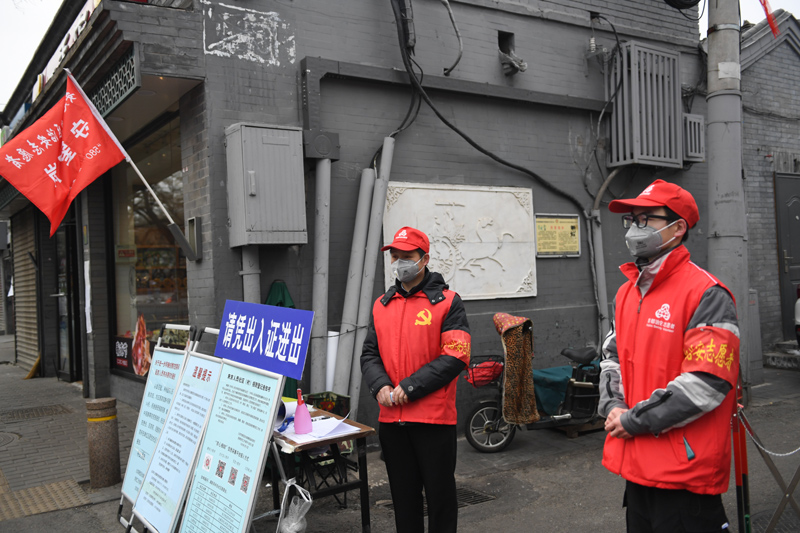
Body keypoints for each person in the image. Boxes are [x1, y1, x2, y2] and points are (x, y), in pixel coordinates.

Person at [599, 179, 740, 532]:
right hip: (637, 468)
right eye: (632, 219)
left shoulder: (707, 293)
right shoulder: (627, 293)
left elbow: (706, 382)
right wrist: (613, 405)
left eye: (646, 219)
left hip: (684, 476)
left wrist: (632, 420)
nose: (635, 227)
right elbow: (612, 358)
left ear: (678, 228)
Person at [360, 226, 470, 533]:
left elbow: (456, 355)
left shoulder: (448, 302)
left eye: (407, 256)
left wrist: (410, 387)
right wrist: (380, 386)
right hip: (392, 420)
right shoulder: (382, 305)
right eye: (395, 256)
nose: (399, 263)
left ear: (425, 260)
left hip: (434, 420)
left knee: (440, 499)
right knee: (403, 499)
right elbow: (369, 354)